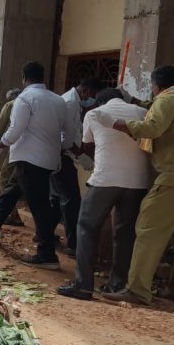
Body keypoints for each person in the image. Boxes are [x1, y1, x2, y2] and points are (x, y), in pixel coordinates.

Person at [102, 66, 174, 305]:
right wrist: (135, 102)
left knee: (148, 228)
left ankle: (137, 290)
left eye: (152, 88)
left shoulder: (166, 101)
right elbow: (159, 113)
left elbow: (153, 128)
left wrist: (122, 125)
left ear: (157, 85)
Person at [56, 88, 150, 300]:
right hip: (137, 181)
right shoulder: (141, 113)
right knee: (125, 232)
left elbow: (88, 142)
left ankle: (83, 284)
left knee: (86, 226)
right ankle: (118, 284)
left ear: (99, 101)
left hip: (105, 179)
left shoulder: (94, 113)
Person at [0, 62, 72, 269]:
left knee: (38, 205)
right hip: (47, 160)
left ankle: (47, 254)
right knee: (11, 190)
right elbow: (67, 135)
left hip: (28, 158)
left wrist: (0, 144)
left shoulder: (25, 98)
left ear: (24, 78)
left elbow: (15, 130)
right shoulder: (59, 100)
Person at [52, 77, 104, 257]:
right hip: (60, 156)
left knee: (57, 199)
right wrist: (82, 156)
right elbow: (65, 140)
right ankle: (73, 244)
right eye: (93, 96)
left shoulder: (74, 101)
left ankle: (45, 234)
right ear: (87, 91)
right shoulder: (69, 102)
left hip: (63, 155)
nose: (92, 101)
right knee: (71, 200)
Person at [0, 87, 23, 226]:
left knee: (4, 178)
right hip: (39, 153)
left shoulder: (11, 105)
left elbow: (1, 126)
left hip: (18, 148)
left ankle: (11, 213)